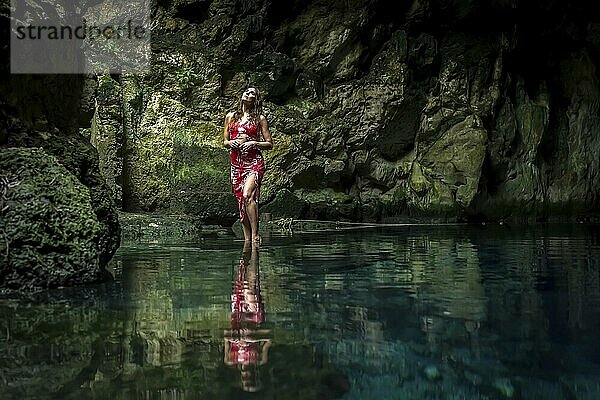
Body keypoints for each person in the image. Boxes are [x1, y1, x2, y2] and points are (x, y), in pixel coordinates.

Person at [223, 87, 273, 244]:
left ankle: (255, 235)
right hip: (236, 164)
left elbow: (269, 143)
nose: (248, 94)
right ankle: (247, 240)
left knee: (247, 195)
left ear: (256, 100)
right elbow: (225, 141)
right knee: (241, 201)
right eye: (246, 91)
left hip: (254, 162)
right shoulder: (231, 116)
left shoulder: (260, 119)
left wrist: (254, 143)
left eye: (252, 93)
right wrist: (231, 142)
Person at [224, 241, 272, 392]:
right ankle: (252, 254)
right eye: (249, 377)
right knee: (250, 289)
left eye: (245, 378)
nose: (246, 374)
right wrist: (252, 338)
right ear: (254, 375)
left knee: (241, 284)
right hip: (252, 317)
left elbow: (225, 337)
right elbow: (269, 337)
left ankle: (247, 254)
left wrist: (234, 338)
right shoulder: (260, 359)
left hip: (238, 317)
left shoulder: (231, 360)